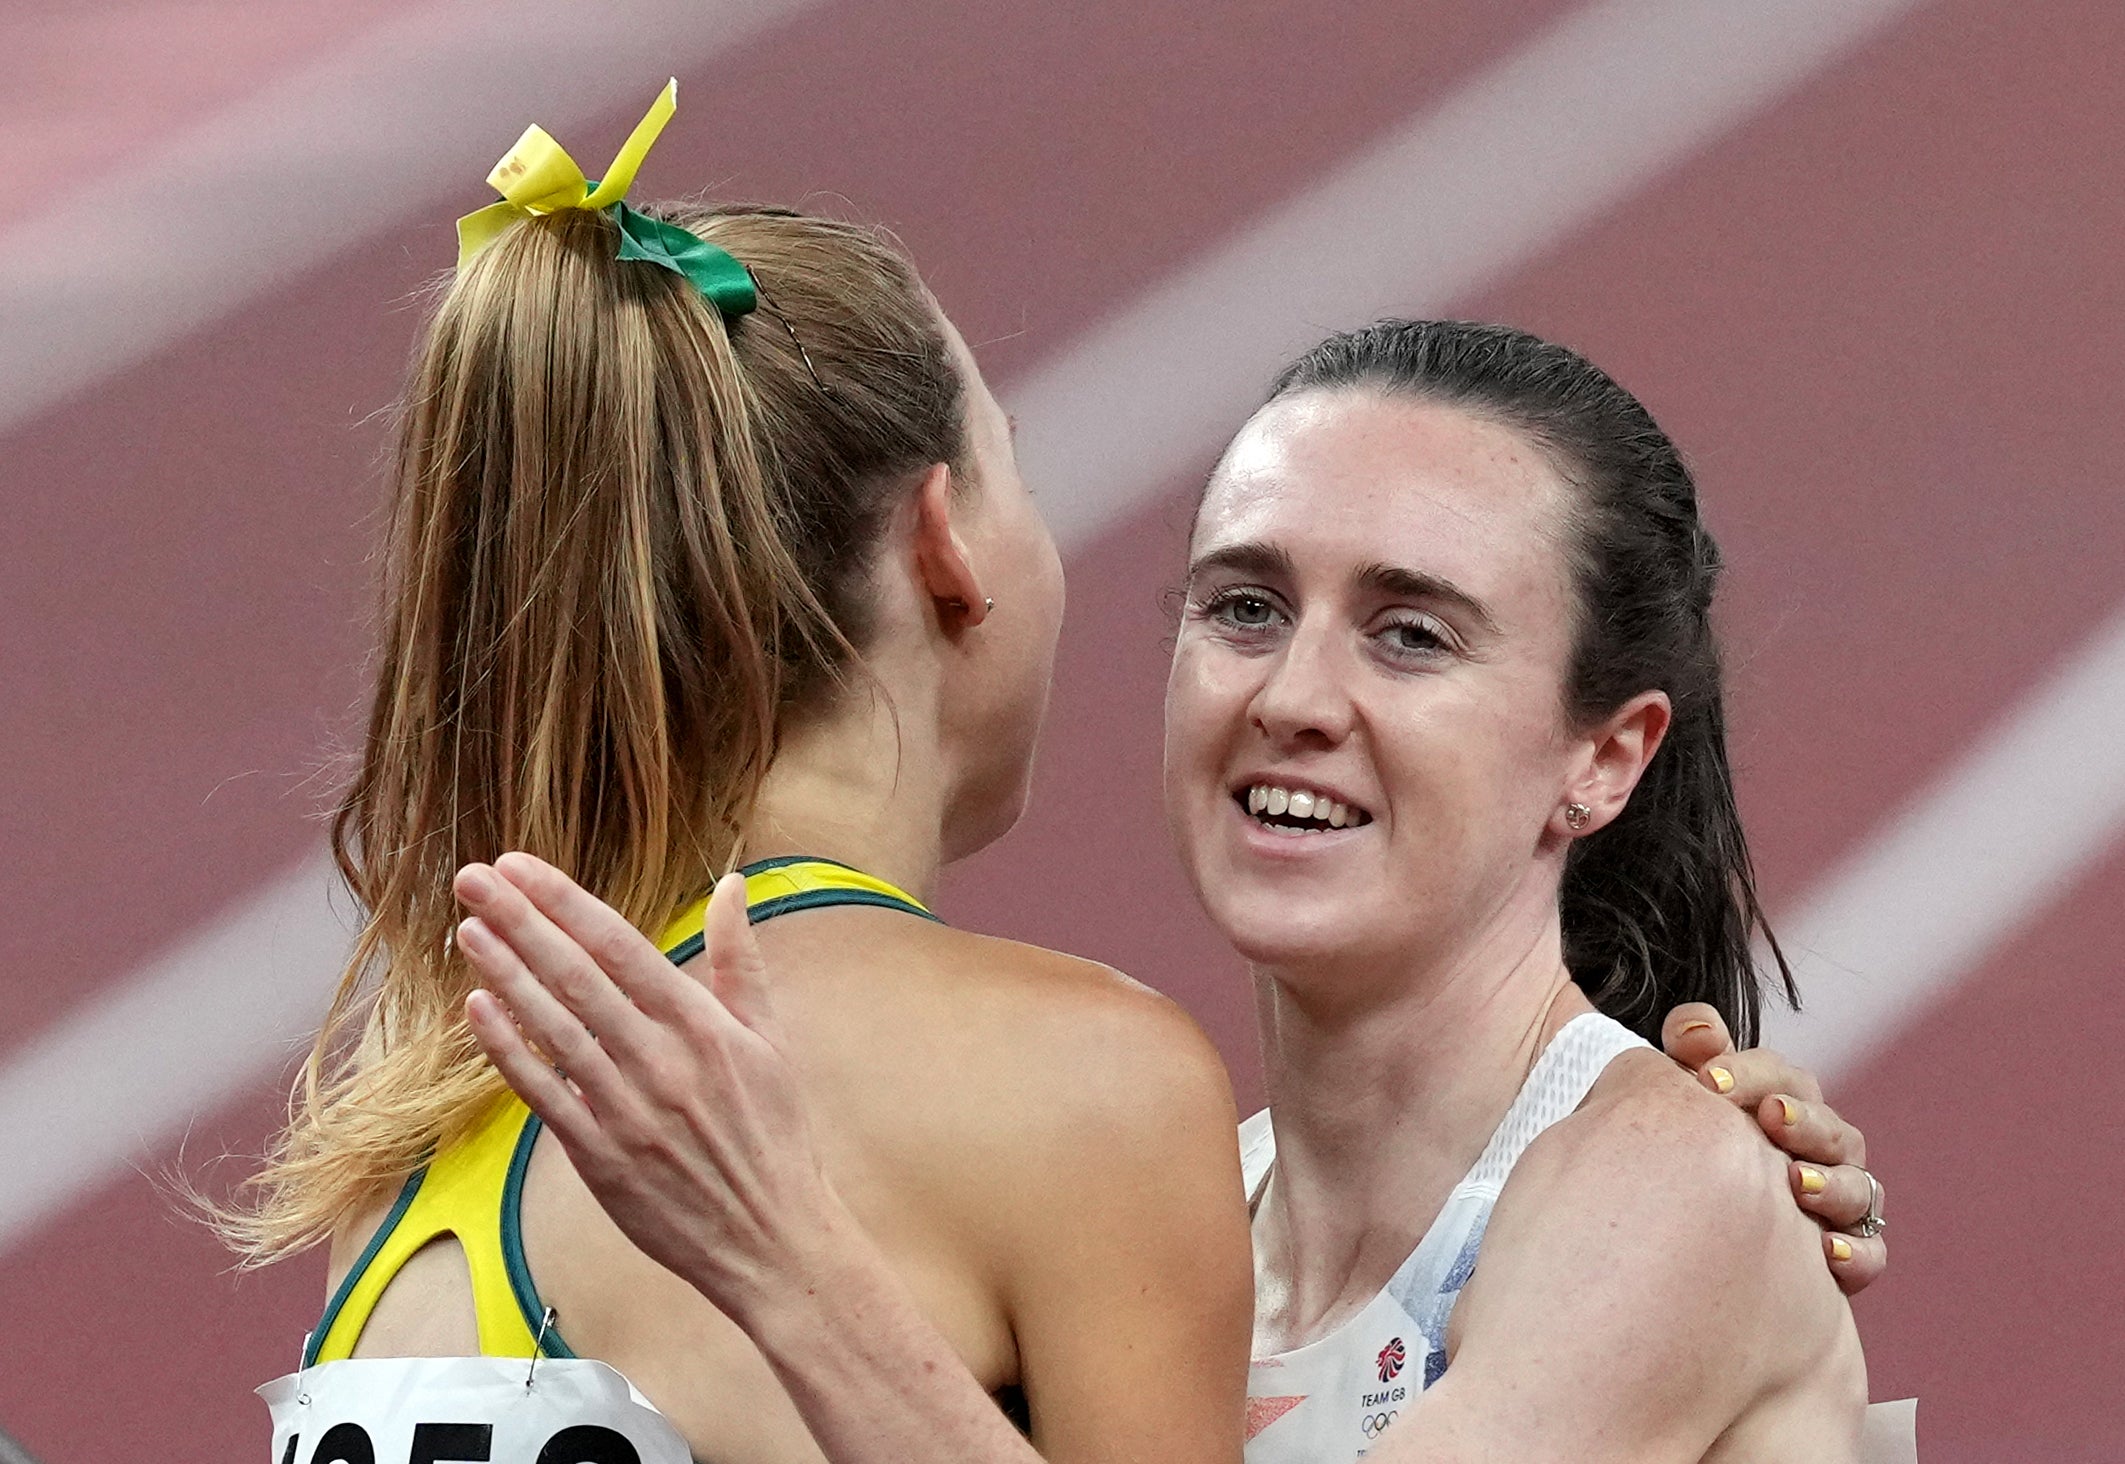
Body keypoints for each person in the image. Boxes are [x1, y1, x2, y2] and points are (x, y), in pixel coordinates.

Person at [249, 87, 1885, 1464]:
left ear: (1606, 756)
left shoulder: (1672, 1189)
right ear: (950, 548)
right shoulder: (1163, 1201)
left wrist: (791, 1261)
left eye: (1411, 635)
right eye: (1242, 605)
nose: (1294, 693)